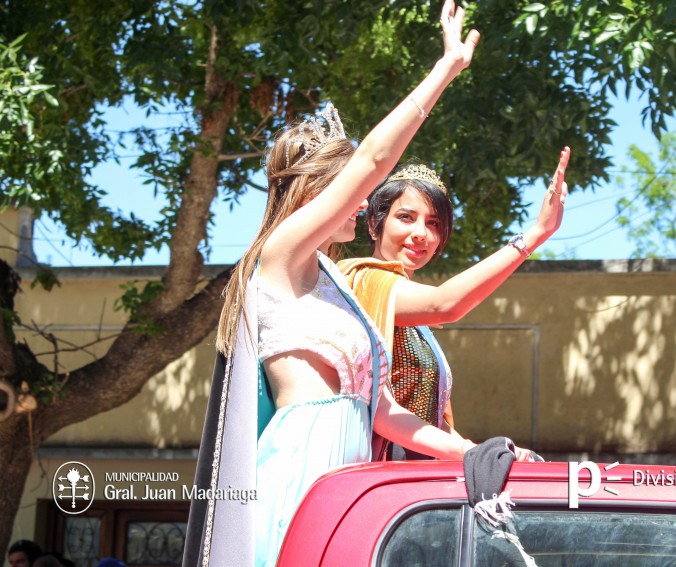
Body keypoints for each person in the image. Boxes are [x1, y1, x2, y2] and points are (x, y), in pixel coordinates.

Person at [183, 3, 530, 566]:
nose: (365, 201)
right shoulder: (279, 257)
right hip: (301, 473)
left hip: (351, 485)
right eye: (352, 191)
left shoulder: (334, 286)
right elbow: (376, 157)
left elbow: (384, 412)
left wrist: (472, 452)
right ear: (317, 193)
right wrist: (446, 69)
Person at [339, 148, 570, 460]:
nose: (420, 233)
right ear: (373, 225)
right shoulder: (364, 279)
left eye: (433, 223)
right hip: (378, 479)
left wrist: (483, 455)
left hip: (416, 477)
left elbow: (429, 423)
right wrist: (535, 235)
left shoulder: (414, 316)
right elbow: (444, 304)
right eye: (406, 217)